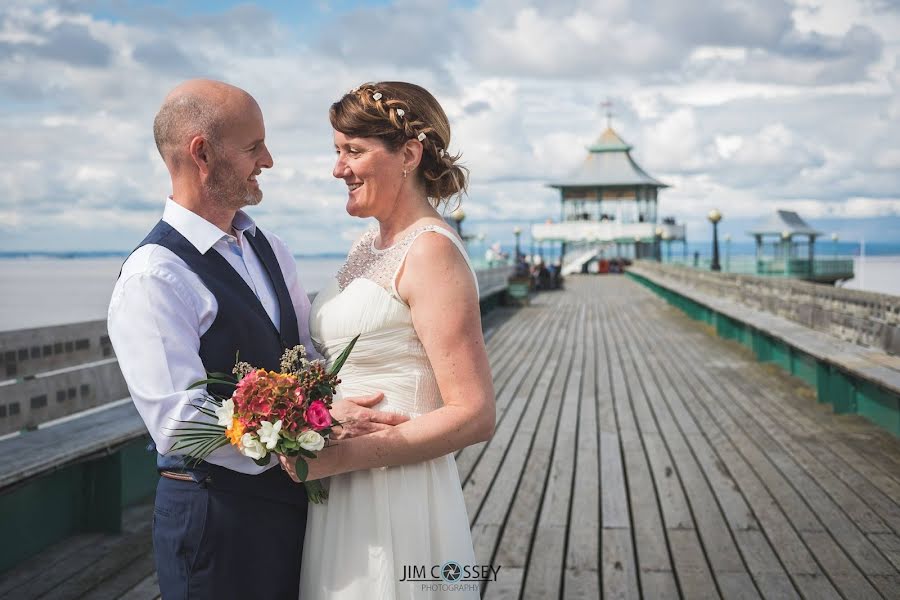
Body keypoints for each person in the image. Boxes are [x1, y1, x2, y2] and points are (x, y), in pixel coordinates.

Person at [107, 79, 405, 600]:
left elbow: (305, 357)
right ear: (202, 153)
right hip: (218, 522)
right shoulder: (154, 275)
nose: (268, 159)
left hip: (295, 508)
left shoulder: (268, 247)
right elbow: (179, 424)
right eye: (253, 147)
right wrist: (312, 429)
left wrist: (333, 411)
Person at [280, 82, 496, 599]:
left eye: (353, 151)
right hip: (344, 484)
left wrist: (348, 456)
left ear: (409, 155)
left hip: (394, 491)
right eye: (337, 152)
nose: (338, 169)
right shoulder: (368, 244)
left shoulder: (430, 253)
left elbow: (475, 412)